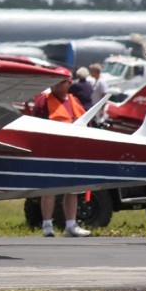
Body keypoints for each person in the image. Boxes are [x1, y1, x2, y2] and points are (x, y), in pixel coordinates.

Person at [31, 68, 92, 238]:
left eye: (61, 81)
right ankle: (47, 225)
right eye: (54, 81)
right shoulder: (43, 102)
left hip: (73, 152)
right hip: (50, 152)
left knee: (73, 189)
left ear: (69, 83)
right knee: (49, 189)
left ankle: (71, 225)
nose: (57, 84)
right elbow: (34, 126)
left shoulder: (75, 101)